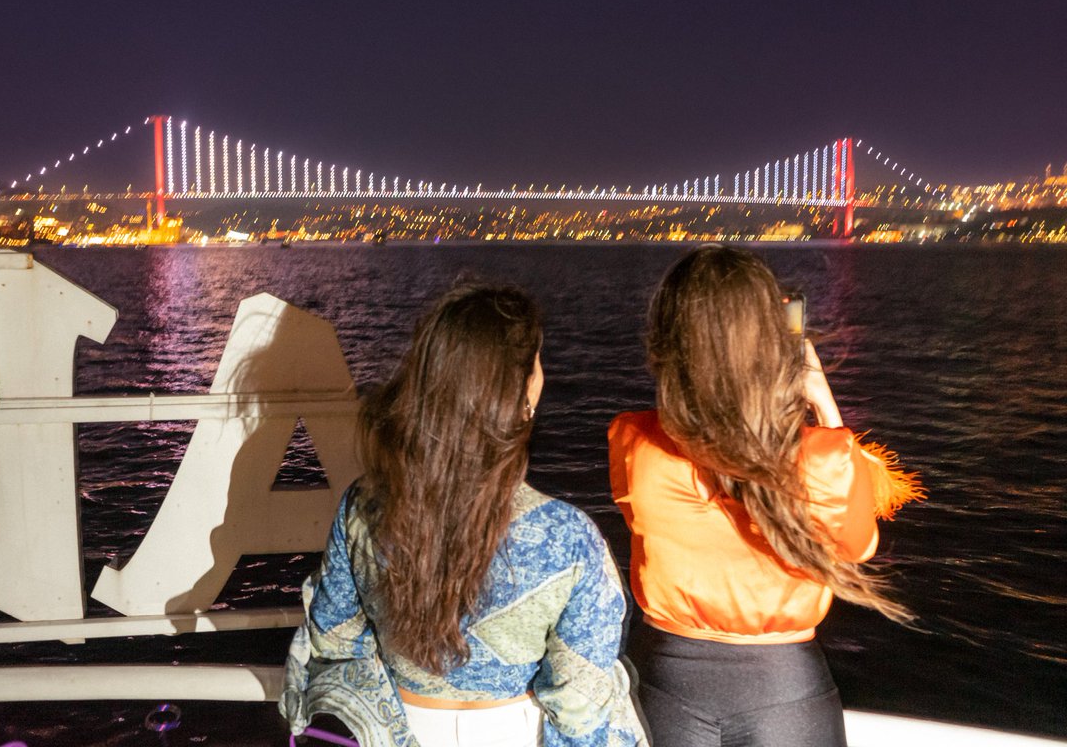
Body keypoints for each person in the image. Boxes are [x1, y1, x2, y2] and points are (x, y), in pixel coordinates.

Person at [281, 282, 647, 747]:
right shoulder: (569, 538)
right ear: (521, 395)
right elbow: (579, 705)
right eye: (537, 361)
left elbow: (333, 638)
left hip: (397, 730)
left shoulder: (364, 508)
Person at [608, 246, 923, 747]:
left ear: (670, 341)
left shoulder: (631, 442)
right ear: (771, 344)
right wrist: (823, 404)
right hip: (785, 691)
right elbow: (858, 545)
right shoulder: (822, 460)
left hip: (665, 679)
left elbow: (689, 431)